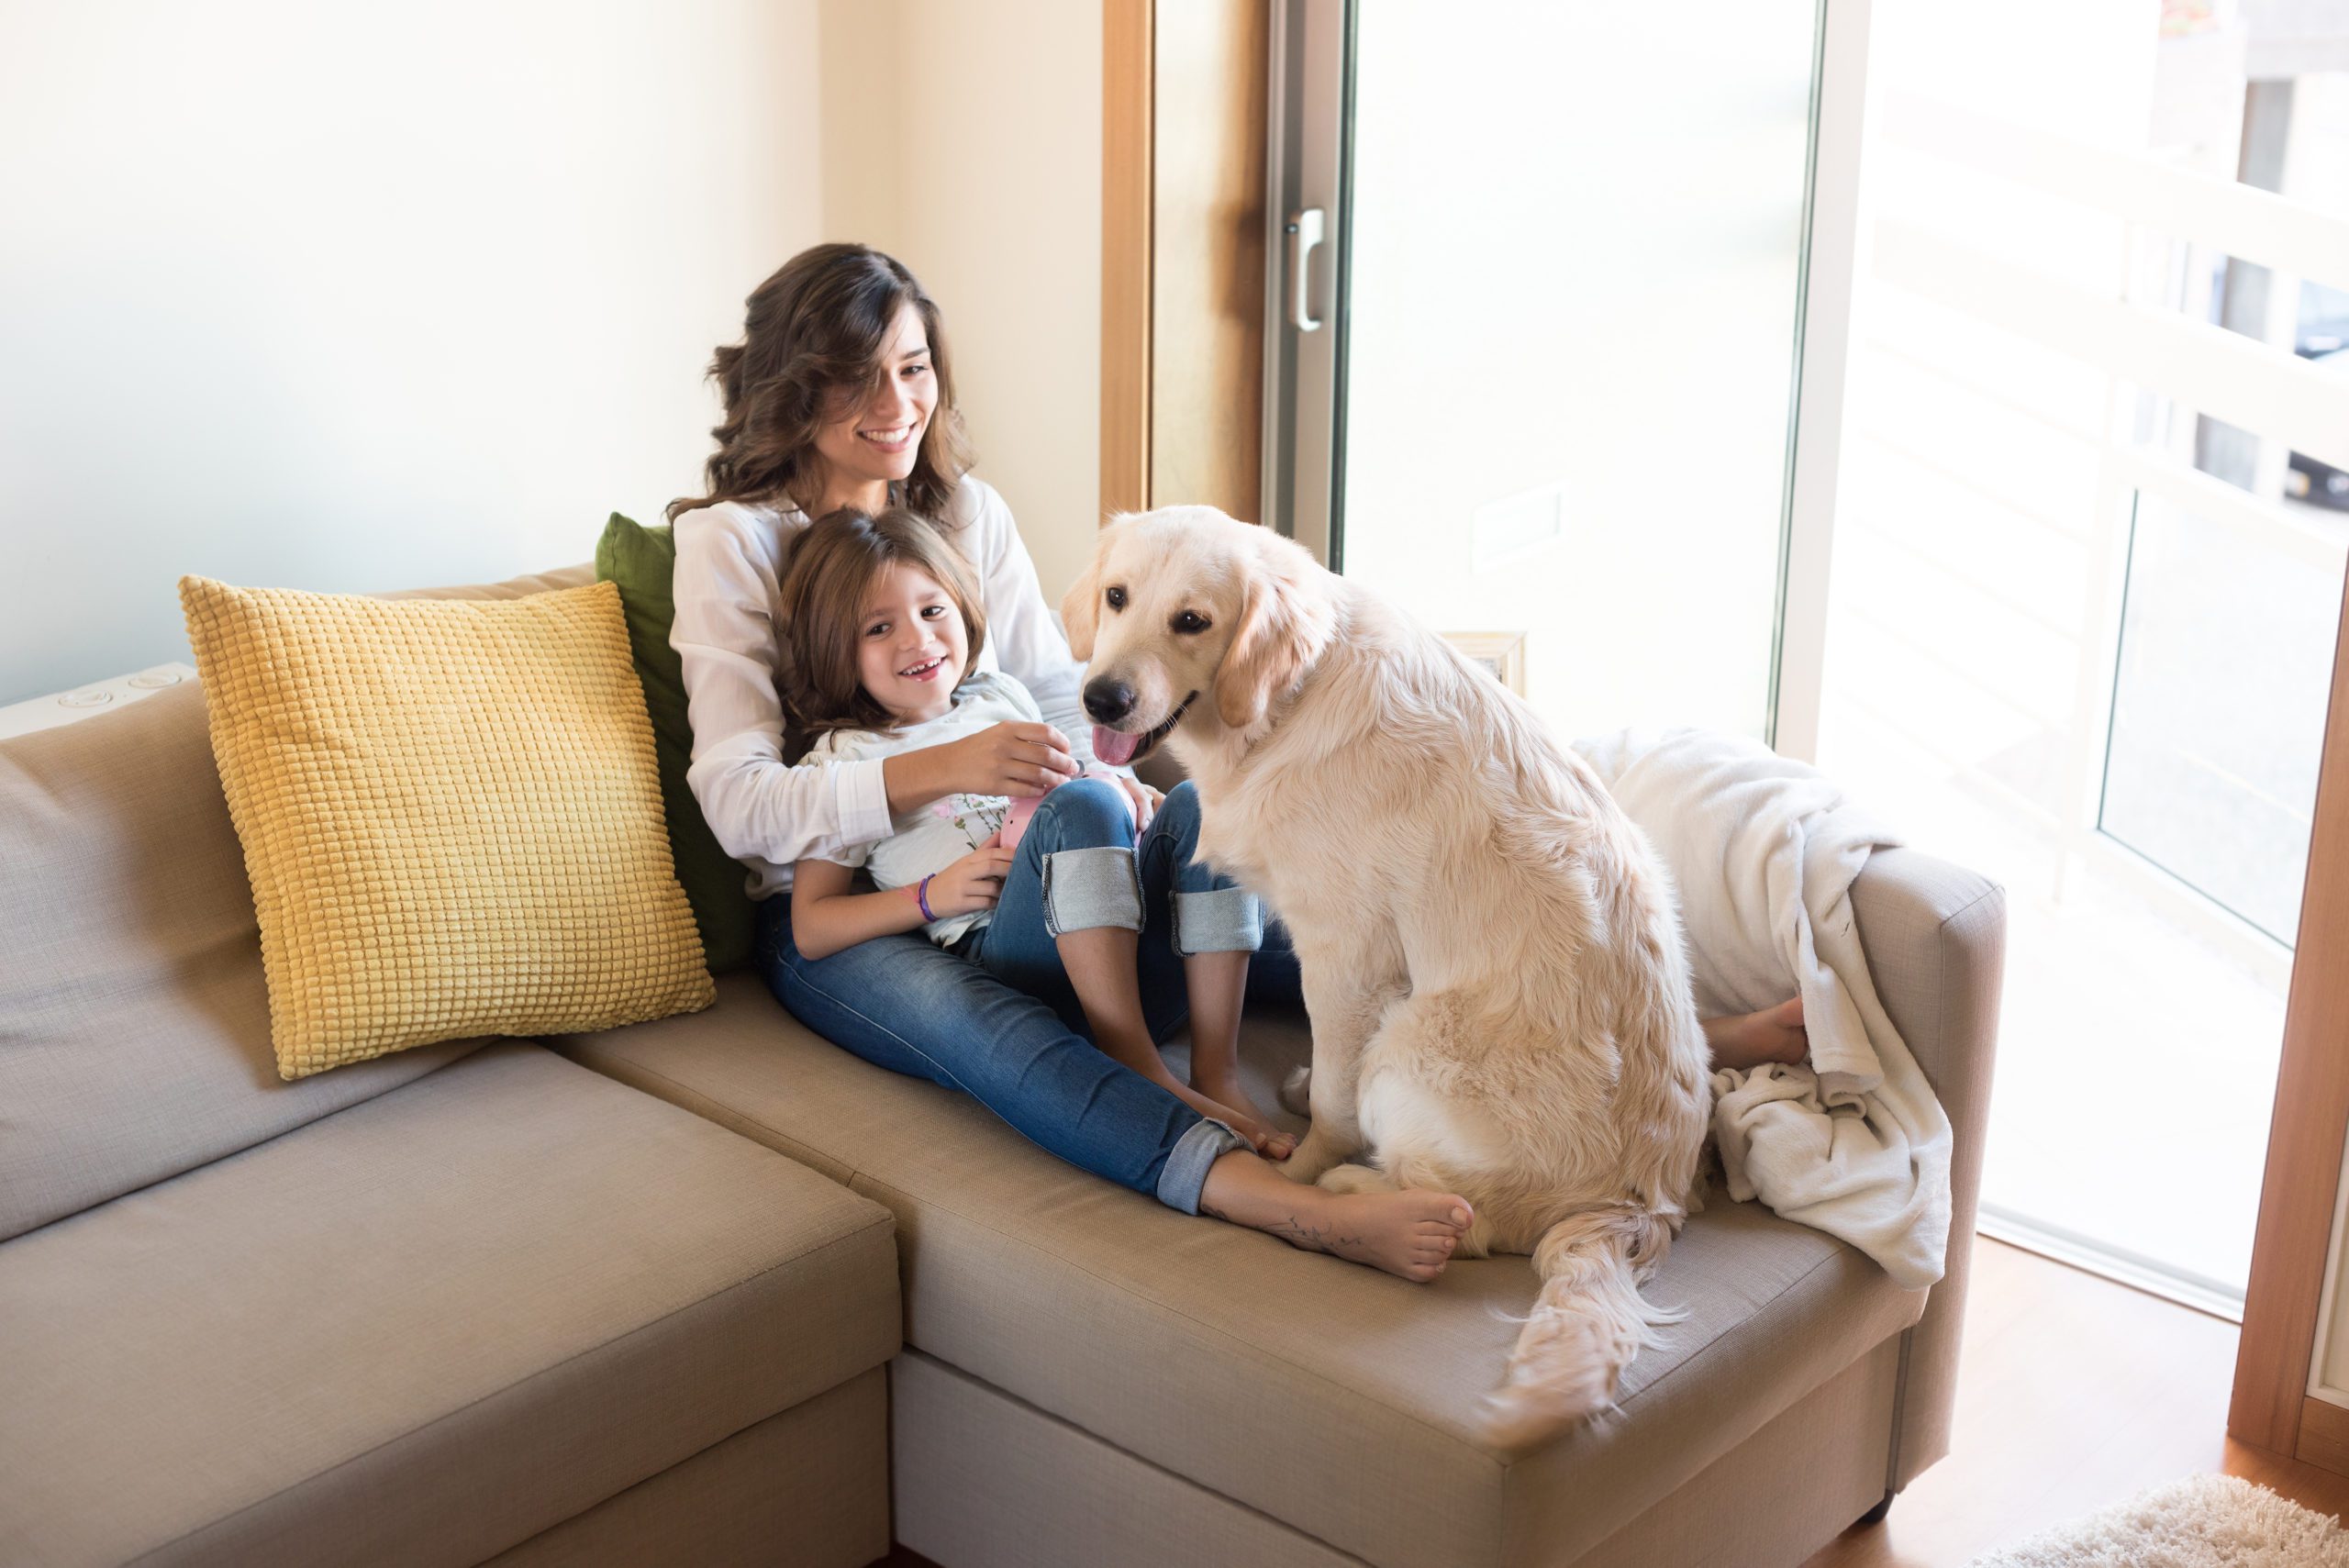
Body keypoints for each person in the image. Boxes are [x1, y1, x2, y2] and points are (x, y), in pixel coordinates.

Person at [668, 243, 1474, 1282]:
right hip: (860, 900)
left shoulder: (968, 513)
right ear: (790, 381)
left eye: (913, 368)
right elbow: (740, 803)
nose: (896, 401)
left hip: (1039, 859)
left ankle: (1669, 1022)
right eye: (857, 374)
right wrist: (949, 764)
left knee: (1311, 908)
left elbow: (1057, 700)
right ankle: (1274, 1202)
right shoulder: (735, 542)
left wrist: (1121, 783)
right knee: (982, 1026)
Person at [777, 504, 1295, 1155]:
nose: (919, 639)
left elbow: (1074, 787)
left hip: (1130, 957)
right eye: (880, 626)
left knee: (1195, 801)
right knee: (1081, 806)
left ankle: (1217, 1069)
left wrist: (1121, 786)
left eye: (933, 610)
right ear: (833, 647)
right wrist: (929, 895)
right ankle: (1135, 1063)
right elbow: (812, 925)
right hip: (1016, 959)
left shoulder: (1000, 695)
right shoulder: (846, 761)